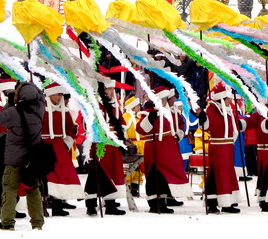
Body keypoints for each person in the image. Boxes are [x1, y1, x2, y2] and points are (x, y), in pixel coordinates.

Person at [0, 81, 45, 230]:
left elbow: (0, 118)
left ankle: (7, 222)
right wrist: (30, 86)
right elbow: (41, 96)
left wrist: (10, 102)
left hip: (14, 158)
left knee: (9, 189)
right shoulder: (40, 109)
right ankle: (37, 222)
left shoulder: (13, 112)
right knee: (33, 189)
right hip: (32, 158)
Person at [137, 86, 191, 214]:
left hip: (167, 147)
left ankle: (163, 201)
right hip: (154, 147)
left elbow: (177, 125)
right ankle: (155, 203)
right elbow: (140, 129)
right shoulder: (149, 111)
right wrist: (149, 118)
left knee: (164, 176)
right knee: (154, 175)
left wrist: (177, 135)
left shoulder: (169, 112)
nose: (166, 101)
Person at [198, 82, 243, 214]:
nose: (230, 100)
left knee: (227, 175)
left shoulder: (227, 111)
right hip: (218, 147)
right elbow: (206, 127)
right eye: (228, 98)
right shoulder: (212, 111)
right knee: (215, 175)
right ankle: (212, 203)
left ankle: (227, 202)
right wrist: (203, 119)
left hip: (227, 147)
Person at [84, 85, 127, 217]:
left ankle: (110, 204)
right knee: (96, 173)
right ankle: (91, 204)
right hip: (99, 143)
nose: (111, 92)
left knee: (113, 173)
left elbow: (122, 122)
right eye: (108, 89)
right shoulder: (94, 105)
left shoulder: (115, 106)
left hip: (113, 145)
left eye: (112, 89)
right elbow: (88, 123)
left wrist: (121, 133)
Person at [41, 82, 84, 216]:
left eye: (61, 94)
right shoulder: (41, 109)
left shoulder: (65, 110)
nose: (60, 97)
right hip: (42, 145)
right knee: (43, 176)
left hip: (59, 146)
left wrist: (67, 143)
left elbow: (70, 129)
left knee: (61, 175)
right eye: (58, 94)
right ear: (50, 94)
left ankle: (58, 206)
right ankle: (42, 206)